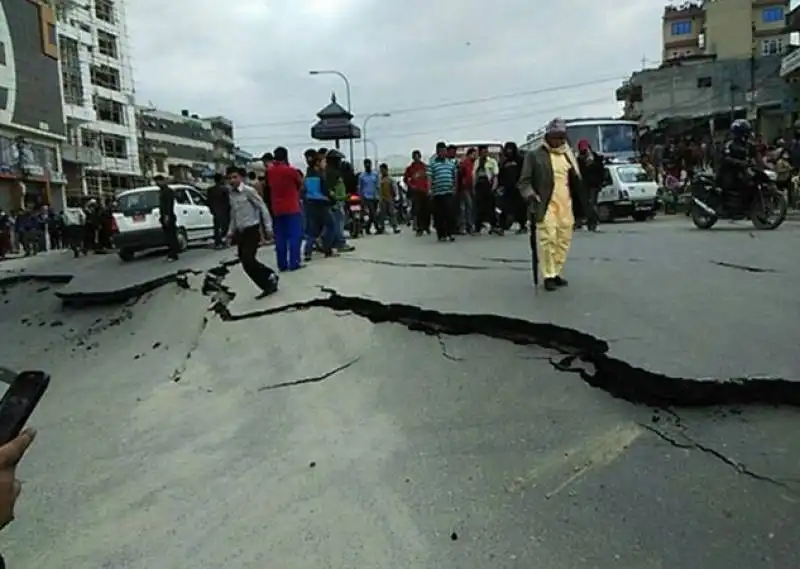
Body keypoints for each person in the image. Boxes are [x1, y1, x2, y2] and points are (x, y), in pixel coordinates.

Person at [518, 118, 590, 291]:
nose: (558, 141)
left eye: (561, 137)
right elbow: (524, 182)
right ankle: (548, 275)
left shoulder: (568, 154)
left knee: (563, 239)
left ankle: (556, 271)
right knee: (548, 238)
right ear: (548, 136)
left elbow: (577, 180)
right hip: (545, 203)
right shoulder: (534, 156)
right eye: (555, 137)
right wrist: (530, 195)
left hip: (566, 203)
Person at [226, 166, 279, 297]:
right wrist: (230, 232)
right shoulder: (231, 194)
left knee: (248, 259)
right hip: (240, 232)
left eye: (235, 177)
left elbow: (262, 207)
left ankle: (269, 275)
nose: (232, 180)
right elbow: (234, 214)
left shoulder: (248, 191)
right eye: (230, 178)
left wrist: (268, 227)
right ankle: (267, 284)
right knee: (245, 263)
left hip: (252, 230)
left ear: (241, 178)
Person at [267, 146, 304, 271]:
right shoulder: (291, 171)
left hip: (277, 209)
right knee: (295, 236)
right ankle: (294, 262)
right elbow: (300, 184)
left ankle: (282, 264)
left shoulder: (270, 172)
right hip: (292, 208)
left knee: (280, 238)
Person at [716, 119, 757, 213]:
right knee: (728, 184)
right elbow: (725, 158)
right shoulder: (729, 144)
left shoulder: (749, 145)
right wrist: (739, 162)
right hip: (727, 171)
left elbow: (756, 157)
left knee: (750, 182)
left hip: (743, 171)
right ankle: (722, 206)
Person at [303, 149, 336, 260]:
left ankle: (307, 252)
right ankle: (327, 249)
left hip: (310, 205)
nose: (324, 164)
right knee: (331, 226)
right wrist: (332, 199)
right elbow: (325, 191)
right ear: (318, 162)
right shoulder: (320, 175)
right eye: (323, 161)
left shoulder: (307, 174)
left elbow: (304, 191)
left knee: (312, 230)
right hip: (322, 204)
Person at [426, 141, 457, 241]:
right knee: (439, 215)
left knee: (450, 213)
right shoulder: (433, 164)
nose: (443, 153)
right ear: (437, 152)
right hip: (437, 193)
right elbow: (430, 178)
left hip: (448, 192)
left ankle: (451, 233)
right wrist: (429, 189)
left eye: (444, 151)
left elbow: (454, 176)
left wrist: (454, 187)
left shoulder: (450, 163)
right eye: (441, 151)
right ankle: (442, 234)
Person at [498, 142, 527, 233]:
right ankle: (501, 227)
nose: (509, 151)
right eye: (507, 149)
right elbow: (501, 175)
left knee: (520, 208)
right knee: (504, 208)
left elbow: (525, 172)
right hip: (507, 189)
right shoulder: (504, 162)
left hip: (518, 188)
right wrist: (500, 185)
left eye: (510, 149)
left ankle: (523, 226)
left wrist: (522, 183)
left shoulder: (520, 160)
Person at [576, 138, 603, 231]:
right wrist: (585, 163)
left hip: (594, 185)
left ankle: (594, 222)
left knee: (592, 204)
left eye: (586, 149)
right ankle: (590, 222)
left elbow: (600, 172)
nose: (584, 151)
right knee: (586, 205)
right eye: (582, 150)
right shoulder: (579, 160)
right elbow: (579, 173)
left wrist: (592, 162)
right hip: (584, 186)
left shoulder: (597, 158)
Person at [473, 145, 500, 235]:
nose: (484, 153)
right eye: (482, 152)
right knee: (479, 207)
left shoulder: (492, 161)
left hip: (488, 184)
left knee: (491, 207)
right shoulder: (477, 162)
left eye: (486, 151)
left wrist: (494, 186)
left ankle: (494, 226)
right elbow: (474, 175)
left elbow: (495, 175)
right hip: (479, 185)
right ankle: (477, 228)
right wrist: (474, 186)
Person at [404, 150, 431, 236]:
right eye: (415, 157)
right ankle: (420, 228)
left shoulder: (424, 167)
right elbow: (406, 179)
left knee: (426, 210)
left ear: (420, 156)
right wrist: (411, 186)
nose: (417, 158)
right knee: (418, 210)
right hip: (416, 192)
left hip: (425, 191)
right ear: (413, 158)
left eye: (418, 156)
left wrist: (429, 189)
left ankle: (427, 227)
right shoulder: (410, 168)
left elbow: (429, 178)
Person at [155, 175, 180, 261]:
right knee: (167, 237)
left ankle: (174, 254)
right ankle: (171, 253)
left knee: (171, 236)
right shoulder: (161, 191)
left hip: (168, 216)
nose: (157, 183)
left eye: (158, 181)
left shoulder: (168, 191)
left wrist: (167, 216)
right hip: (164, 216)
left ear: (163, 181)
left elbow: (169, 205)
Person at [206, 173, 230, 248]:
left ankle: (218, 242)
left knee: (216, 227)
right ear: (221, 180)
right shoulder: (225, 189)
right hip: (224, 211)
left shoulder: (210, 190)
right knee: (224, 227)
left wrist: (211, 209)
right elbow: (227, 201)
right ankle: (223, 241)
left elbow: (208, 201)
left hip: (215, 211)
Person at [457, 147, 476, 234]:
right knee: (467, 206)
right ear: (469, 154)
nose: (475, 156)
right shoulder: (465, 163)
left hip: (472, 187)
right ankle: (465, 226)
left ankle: (469, 225)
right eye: (474, 154)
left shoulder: (474, 163)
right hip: (465, 188)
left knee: (470, 207)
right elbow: (461, 174)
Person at [357, 159, 380, 234]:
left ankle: (367, 227)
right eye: (366, 164)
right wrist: (361, 197)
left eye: (369, 164)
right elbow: (360, 188)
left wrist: (379, 196)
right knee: (372, 212)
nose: (368, 166)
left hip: (375, 196)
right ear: (364, 165)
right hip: (367, 197)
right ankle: (377, 228)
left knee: (372, 214)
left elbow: (378, 186)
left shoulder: (375, 174)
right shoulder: (362, 176)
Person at [378, 163, 400, 234]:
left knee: (392, 213)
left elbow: (395, 188)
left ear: (386, 170)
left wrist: (395, 196)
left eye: (383, 170)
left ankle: (395, 227)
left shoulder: (390, 179)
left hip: (390, 198)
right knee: (382, 214)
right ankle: (382, 227)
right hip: (382, 199)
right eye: (381, 170)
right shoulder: (379, 179)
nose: (382, 171)